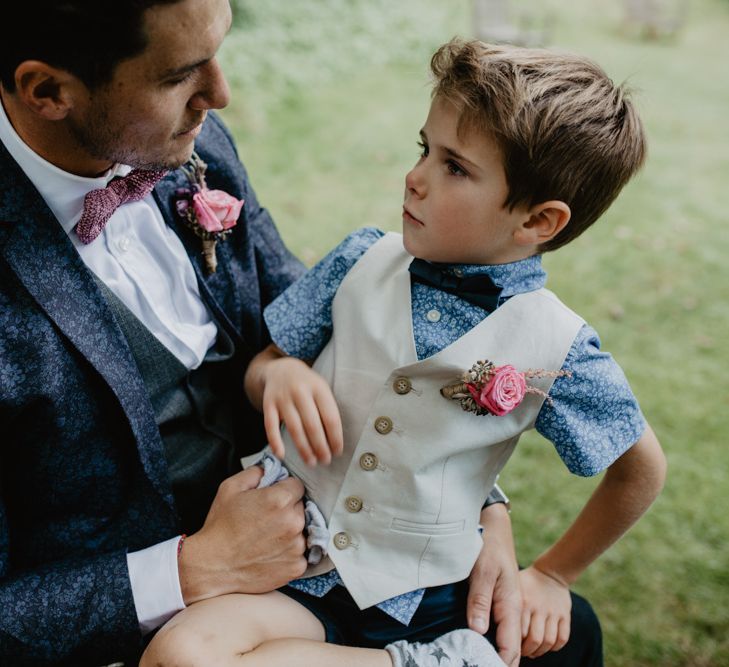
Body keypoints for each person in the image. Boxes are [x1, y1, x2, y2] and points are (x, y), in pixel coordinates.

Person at [0, 3, 599, 666]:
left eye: (216, 53)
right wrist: (191, 567)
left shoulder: (186, 138)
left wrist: (476, 500)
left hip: (329, 530)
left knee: (561, 634)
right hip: (139, 616)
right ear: (47, 91)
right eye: (179, 76)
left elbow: (309, 319)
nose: (220, 94)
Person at [140, 39, 667, 667]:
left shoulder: (557, 347)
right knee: (181, 653)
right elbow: (265, 364)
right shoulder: (361, 259)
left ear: (538, 222)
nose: (415, 177)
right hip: (300, 570)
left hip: (428, 600)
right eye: (425, 150)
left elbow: (640, 469)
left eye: (455, 167)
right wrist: (276, 374)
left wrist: (553, 574)